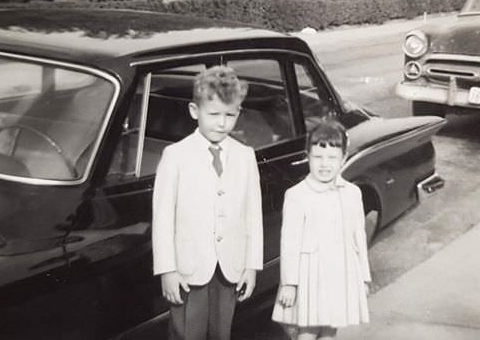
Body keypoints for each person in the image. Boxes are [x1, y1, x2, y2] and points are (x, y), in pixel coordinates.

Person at [152, 65, 263, 340]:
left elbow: (253, 215)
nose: (222, 123)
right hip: (188, 269)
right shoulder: (175, 156)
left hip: (230, 268)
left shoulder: (245, 156)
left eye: (230, 115)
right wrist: (167, 269)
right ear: (194, 111)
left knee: (220, 333)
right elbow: (163, 218)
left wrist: (251, 266)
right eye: (213, 114)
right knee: (186, 333)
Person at [272, 121, 371, 340]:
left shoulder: (352, 193)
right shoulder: (297, 195)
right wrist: (289, 283)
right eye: (318, 157)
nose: (324, 164)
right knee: (307, 330)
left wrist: (364, 277)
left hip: (341, 270)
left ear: (344, 158)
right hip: (310, 273)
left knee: (330, 328)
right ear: (307, 155)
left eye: (332, 158)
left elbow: (359, 236)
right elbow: (289, 243)